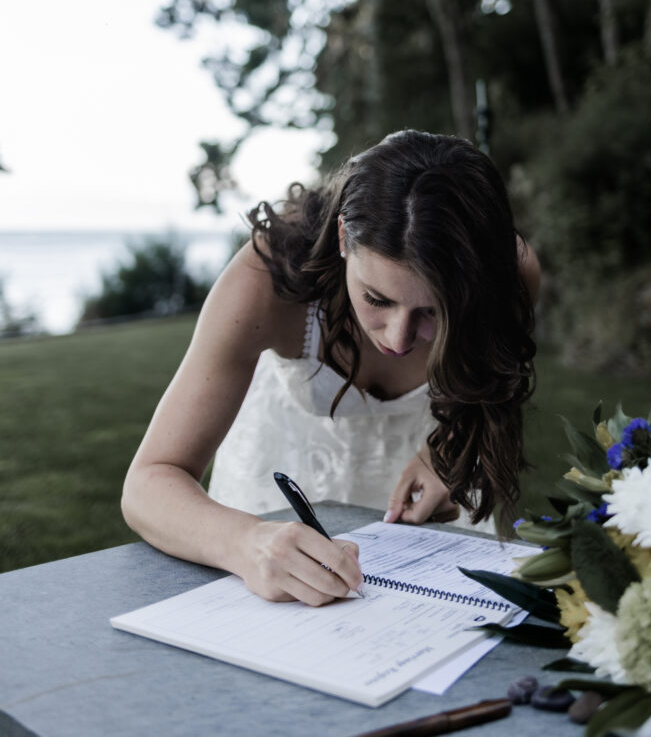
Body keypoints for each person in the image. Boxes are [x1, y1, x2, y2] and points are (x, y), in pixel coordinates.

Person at [122, 130, 540, 608]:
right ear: (344, 236)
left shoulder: (514, 277)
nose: (398, 339)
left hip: (425, 531)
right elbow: (148, 482)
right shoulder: (263, 282)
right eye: (377, 299)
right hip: (274, 499)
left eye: (434, 312)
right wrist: (246, 542)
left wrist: (451, 449)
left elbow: (487, 392)